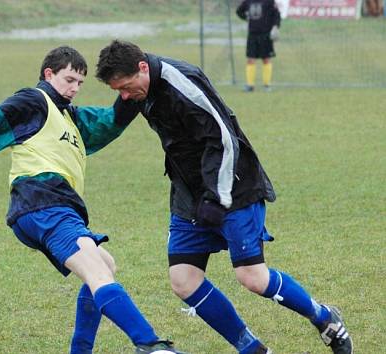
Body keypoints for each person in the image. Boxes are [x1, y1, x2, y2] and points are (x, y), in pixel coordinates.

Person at [0, 46, 185, 354]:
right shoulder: (34, 101)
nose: (74, 88)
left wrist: (134, 88)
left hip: (55, 208)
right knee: (97, 271)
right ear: (49, 74)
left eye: (80, 83)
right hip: (42, 204)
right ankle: (149, 344)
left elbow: (109, 121)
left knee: (103, 264)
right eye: (69, 79)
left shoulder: (70, 117)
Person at [94, 40, 353, 354]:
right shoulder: (137, 89)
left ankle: (325, 318)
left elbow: (224, 138)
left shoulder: (181, 82)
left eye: (126, 86)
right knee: (184, 280)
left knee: (253, 278)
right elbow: (109, 124)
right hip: (189, 194)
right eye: (117, 90)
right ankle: (251, 348)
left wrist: (217, 197)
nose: (124, 96)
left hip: (233, 186)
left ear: (143, 68)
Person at [236, 0, 281, 92]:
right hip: (252, 34)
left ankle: (267, 85)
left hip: (266, 35)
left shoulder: (269, 1)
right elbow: (239, 11)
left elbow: (276, 14)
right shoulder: (248, 1)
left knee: (266, 59)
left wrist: (275, 26)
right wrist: (246, 17)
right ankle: (250, 85)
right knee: (250, 59)